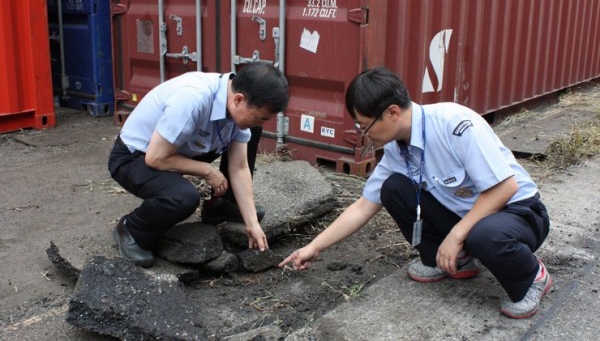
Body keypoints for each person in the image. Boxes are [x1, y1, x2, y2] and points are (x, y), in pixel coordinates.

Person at [279, 66, 551, 319]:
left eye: (366, 125)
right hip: (471, 217)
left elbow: (505, 188)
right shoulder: (399, 149)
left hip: (519, 214)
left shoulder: (454, 123)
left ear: (393, 112)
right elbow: (363, 206)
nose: (364, 134)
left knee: (485, 235)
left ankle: (531, 276)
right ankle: (457, 260)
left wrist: (456, 235)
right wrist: (314, 247)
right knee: (394, 189)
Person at [109, 62, 289, 268]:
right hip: (135, 157)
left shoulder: (234, 101)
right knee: (183, 197)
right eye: (261, 116)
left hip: (178, 149)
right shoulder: (193, 99)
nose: (262, 122)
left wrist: (252, 224)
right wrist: (207, 170)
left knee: (250, 129)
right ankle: (132, 228)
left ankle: (222, 206)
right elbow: (155, 158)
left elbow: (239, 167)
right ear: (239, 99)